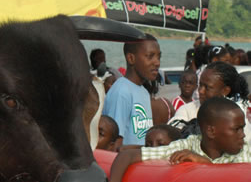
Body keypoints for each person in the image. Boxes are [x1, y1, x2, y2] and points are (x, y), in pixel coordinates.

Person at [110, 97, 251, 182]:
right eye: (236, 129)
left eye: (243, 128)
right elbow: (127, 156)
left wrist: (205, 164)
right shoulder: (186, 146)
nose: (243, 135)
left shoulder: (245, 151)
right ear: (211, 131)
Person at [169, 61, 250, 143]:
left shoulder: (240, 114)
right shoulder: (187, 110)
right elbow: (172, 136)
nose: (201, 91)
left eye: (207, 87)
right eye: (200, 85)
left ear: (225, 91)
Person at [102, 34, 161, 146]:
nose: (157, 62)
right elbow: (115, 143)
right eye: (150, 56)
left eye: (158, 57)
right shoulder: (121, 92)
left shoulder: (143, 91)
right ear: (131, 58)